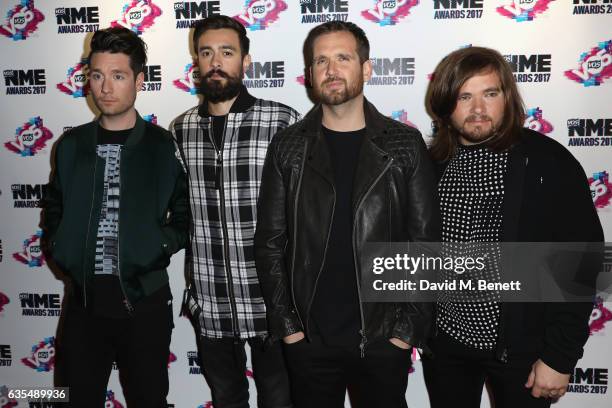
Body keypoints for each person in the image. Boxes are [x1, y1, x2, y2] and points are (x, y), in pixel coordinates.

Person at [254, 21, 440, 408]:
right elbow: (270, 244)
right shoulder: (288, 147)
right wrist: (289, 330)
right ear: (308, 74)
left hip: (383, 340)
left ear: (366, 68)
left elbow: (426, 246)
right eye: (320, 60)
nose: (331, 69)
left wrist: (404, 334)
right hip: (309, 342)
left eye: (343, 57)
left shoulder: (403, 144)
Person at [422, 46, 604, 408]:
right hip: (446, 347)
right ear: (445, 104)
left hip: (522, 351)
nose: (477, 109)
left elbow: (581, 263)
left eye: (490, 94)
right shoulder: (431, 166)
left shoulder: (548, 163)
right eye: (464, 96)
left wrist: (559, 357)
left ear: (507, 97)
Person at [42, 27, 188, 407]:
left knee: (149, 400)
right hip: (83, 307)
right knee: (73, 400)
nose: (105, 87)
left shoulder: (161, 147)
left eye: (118, 76)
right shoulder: (71, 146)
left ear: (139, 80)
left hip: (146, 306)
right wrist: (59, 246)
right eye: (97, 75)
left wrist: (157, 245)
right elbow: (54, 205)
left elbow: (186, 214)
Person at [171, 15, 300, 408]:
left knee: (279, 400)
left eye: (226, 52)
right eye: (206, 52)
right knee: (226, 398)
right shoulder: (180, 129)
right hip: (210, 299)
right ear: (196, 60)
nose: (215, 62)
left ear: (245, 61)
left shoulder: (283, 120)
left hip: (271, 300)